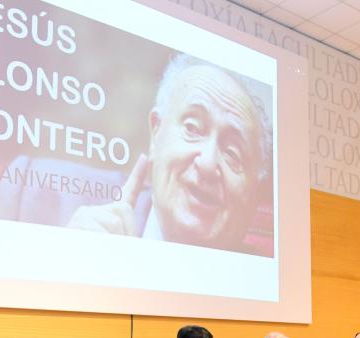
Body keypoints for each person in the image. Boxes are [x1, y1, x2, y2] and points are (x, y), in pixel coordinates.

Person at [65, 53, 272, 253]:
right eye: (192, 128)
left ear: (256, 193)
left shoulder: (274, 279)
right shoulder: (56, 196)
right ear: (156, 133)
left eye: (232, 153)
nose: (207, 163)